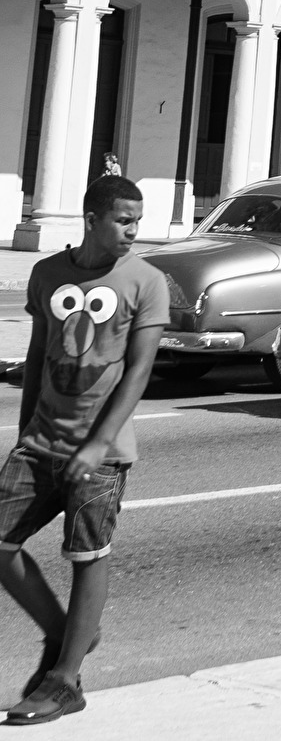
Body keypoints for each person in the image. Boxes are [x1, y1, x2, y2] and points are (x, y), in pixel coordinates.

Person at [0, 177, 167, 724]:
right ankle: (69, 635)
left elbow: (138, 372)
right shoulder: (49, 273)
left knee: (86, 554)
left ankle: (66, 679)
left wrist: (97, 445)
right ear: (91, 218)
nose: (133, 231)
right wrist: (25, 431)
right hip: (42, 441)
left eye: (137, 221)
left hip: (104, 451)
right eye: (123, 220)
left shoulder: (146, 280)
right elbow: (38, 352)